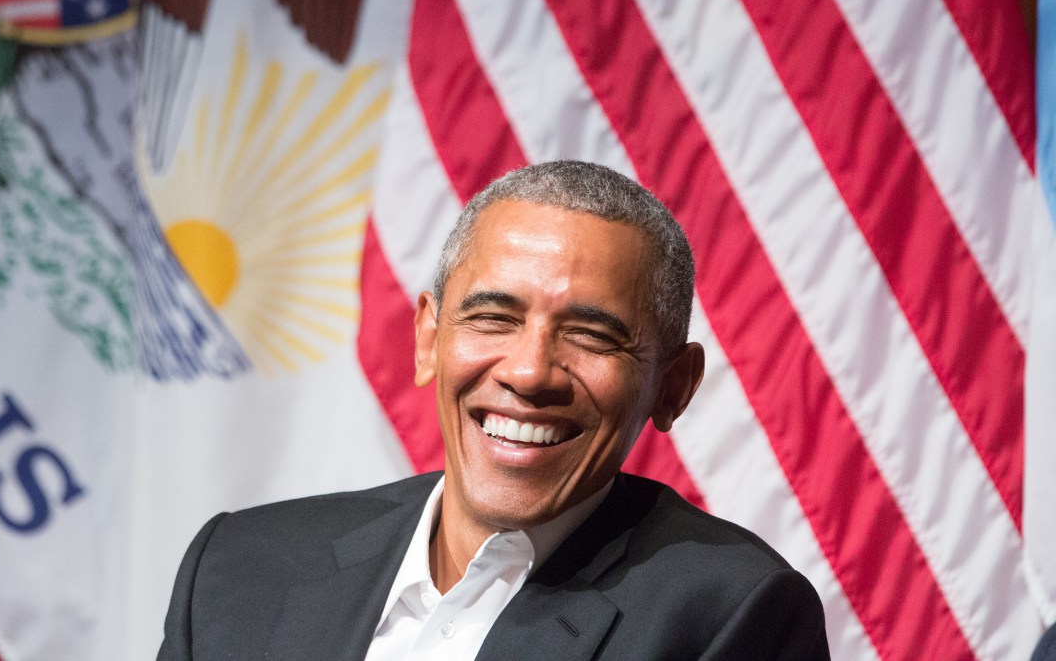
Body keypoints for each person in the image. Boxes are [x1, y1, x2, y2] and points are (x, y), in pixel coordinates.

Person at [157, 161, 829, 660]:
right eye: (492, 317)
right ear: (429, 339)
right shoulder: (237, 565)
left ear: (674, 387)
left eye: (591, 335)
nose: (529, 371)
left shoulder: (732, 616)